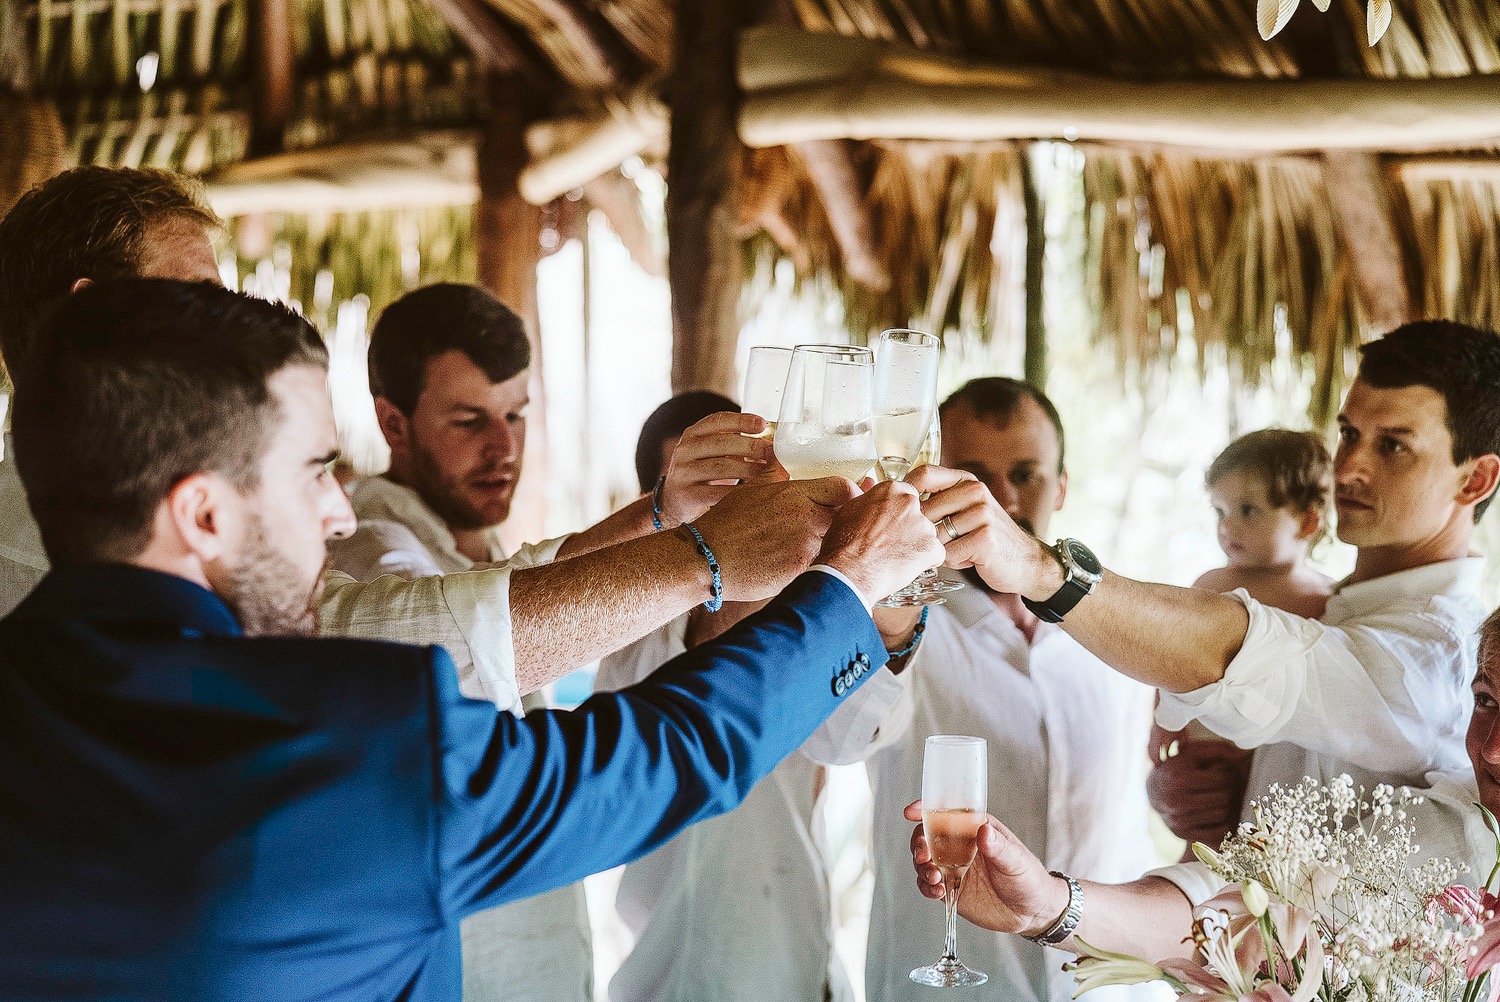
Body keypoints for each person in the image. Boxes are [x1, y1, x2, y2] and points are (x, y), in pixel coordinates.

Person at [0, 277, 946, 999]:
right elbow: (670, 750)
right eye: (312, 473)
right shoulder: (346, 743)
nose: (336, 514)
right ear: (202, 515)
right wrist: (844, 589)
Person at [0, 165, 812, 713]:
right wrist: (703, 561)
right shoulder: (36, 533)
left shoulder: (116, 502)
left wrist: (665, 522)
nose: (339, 515)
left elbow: (455, 600)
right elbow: (378, 646)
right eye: (198, 297)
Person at [907, 319, 1500, 950]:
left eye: (1393, 446)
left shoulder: (1446, 652)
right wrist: (1221, 794)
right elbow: (1263, 887)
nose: (1347, 466)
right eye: (1349, 433)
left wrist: (1042, 571)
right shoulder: (1333, 608)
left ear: (1475, 480)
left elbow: (1240, 654)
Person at [595, 392, 922, 1002]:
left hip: (801, 974)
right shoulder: (624, 636)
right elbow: (687, 701)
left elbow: (850, 738)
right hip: (663, 982)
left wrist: (893, 622)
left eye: (741, 489)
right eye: (704, 493)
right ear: (655, 510)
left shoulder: (796, 630)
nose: (728, 512)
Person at [843, 378, 1159, 1002]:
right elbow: (842, 737)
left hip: (1110, 988)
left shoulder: (1119, 631)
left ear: (1062, 487)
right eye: (973, 475)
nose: (1002, 500)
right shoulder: (899, 618)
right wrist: (888, 626)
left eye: (1027, 474)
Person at [328, 284, 596, 1000]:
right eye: (469, 420)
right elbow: (460, 632)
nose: (503, 447)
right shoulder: (367, 548)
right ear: (395, 425)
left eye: (515, 415)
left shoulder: (485, 550)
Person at [1150, 429, 1335, 856]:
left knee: (1261, 863)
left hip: (1277, 765)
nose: (1228, 526)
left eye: (1248, 510)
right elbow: (1166, 658)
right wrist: (1159, 725)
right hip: (1207, 751)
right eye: (1220, 511)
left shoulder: (1326, 599)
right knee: (1201, 855)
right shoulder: (1212, 585)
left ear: (1307, 521)